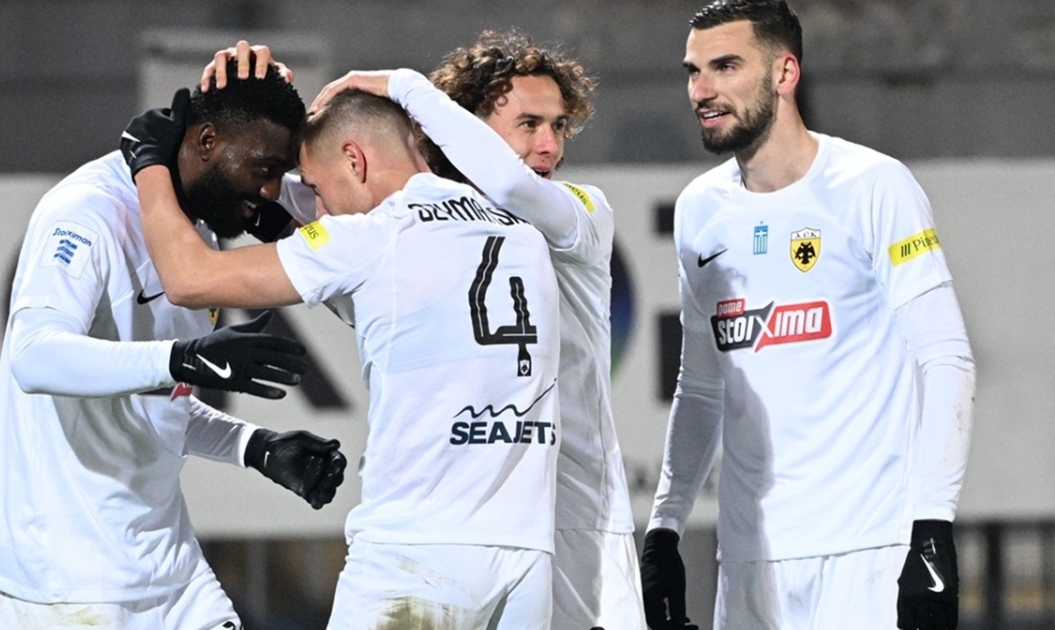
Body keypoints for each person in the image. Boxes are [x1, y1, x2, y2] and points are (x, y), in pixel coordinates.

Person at [212, 29, 644, 629]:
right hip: (488, 531)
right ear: (458, 132)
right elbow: (314, 180)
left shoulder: (579, 211)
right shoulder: (424, 228)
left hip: (578, 527)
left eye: (559, 126)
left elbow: (507, 185)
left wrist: (405, 86)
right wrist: (259, 108)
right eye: (528, 125)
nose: (549, 145)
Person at [128, 76, 564, 628]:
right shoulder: (522, 231)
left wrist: (149, 164)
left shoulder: (373, 236)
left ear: (354, 160)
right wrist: (279, 228)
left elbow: (189, 279)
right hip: (527, 557)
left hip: (417, 556)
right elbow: (384, 300)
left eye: (315, 186)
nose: (320, 208)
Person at [0, 63, 348, 630]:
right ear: (207, 141)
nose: (271, 191)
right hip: (59, 580)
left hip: (167, 565)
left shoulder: (199, 226)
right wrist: (180, 359)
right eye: (265, 170)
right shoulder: (87, 211)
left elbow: (155, 403)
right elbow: (33, 355)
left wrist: (256, 447)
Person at [640, 1, 976, 629]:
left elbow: (946, 356)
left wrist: (932, 527)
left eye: (725, 66)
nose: (702, 90)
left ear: (784, 73)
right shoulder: (699, 209)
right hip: (749, 563)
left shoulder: (874, 185)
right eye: (693, 71)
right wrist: (665, 527)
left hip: (868, 555)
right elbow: (702, 387)